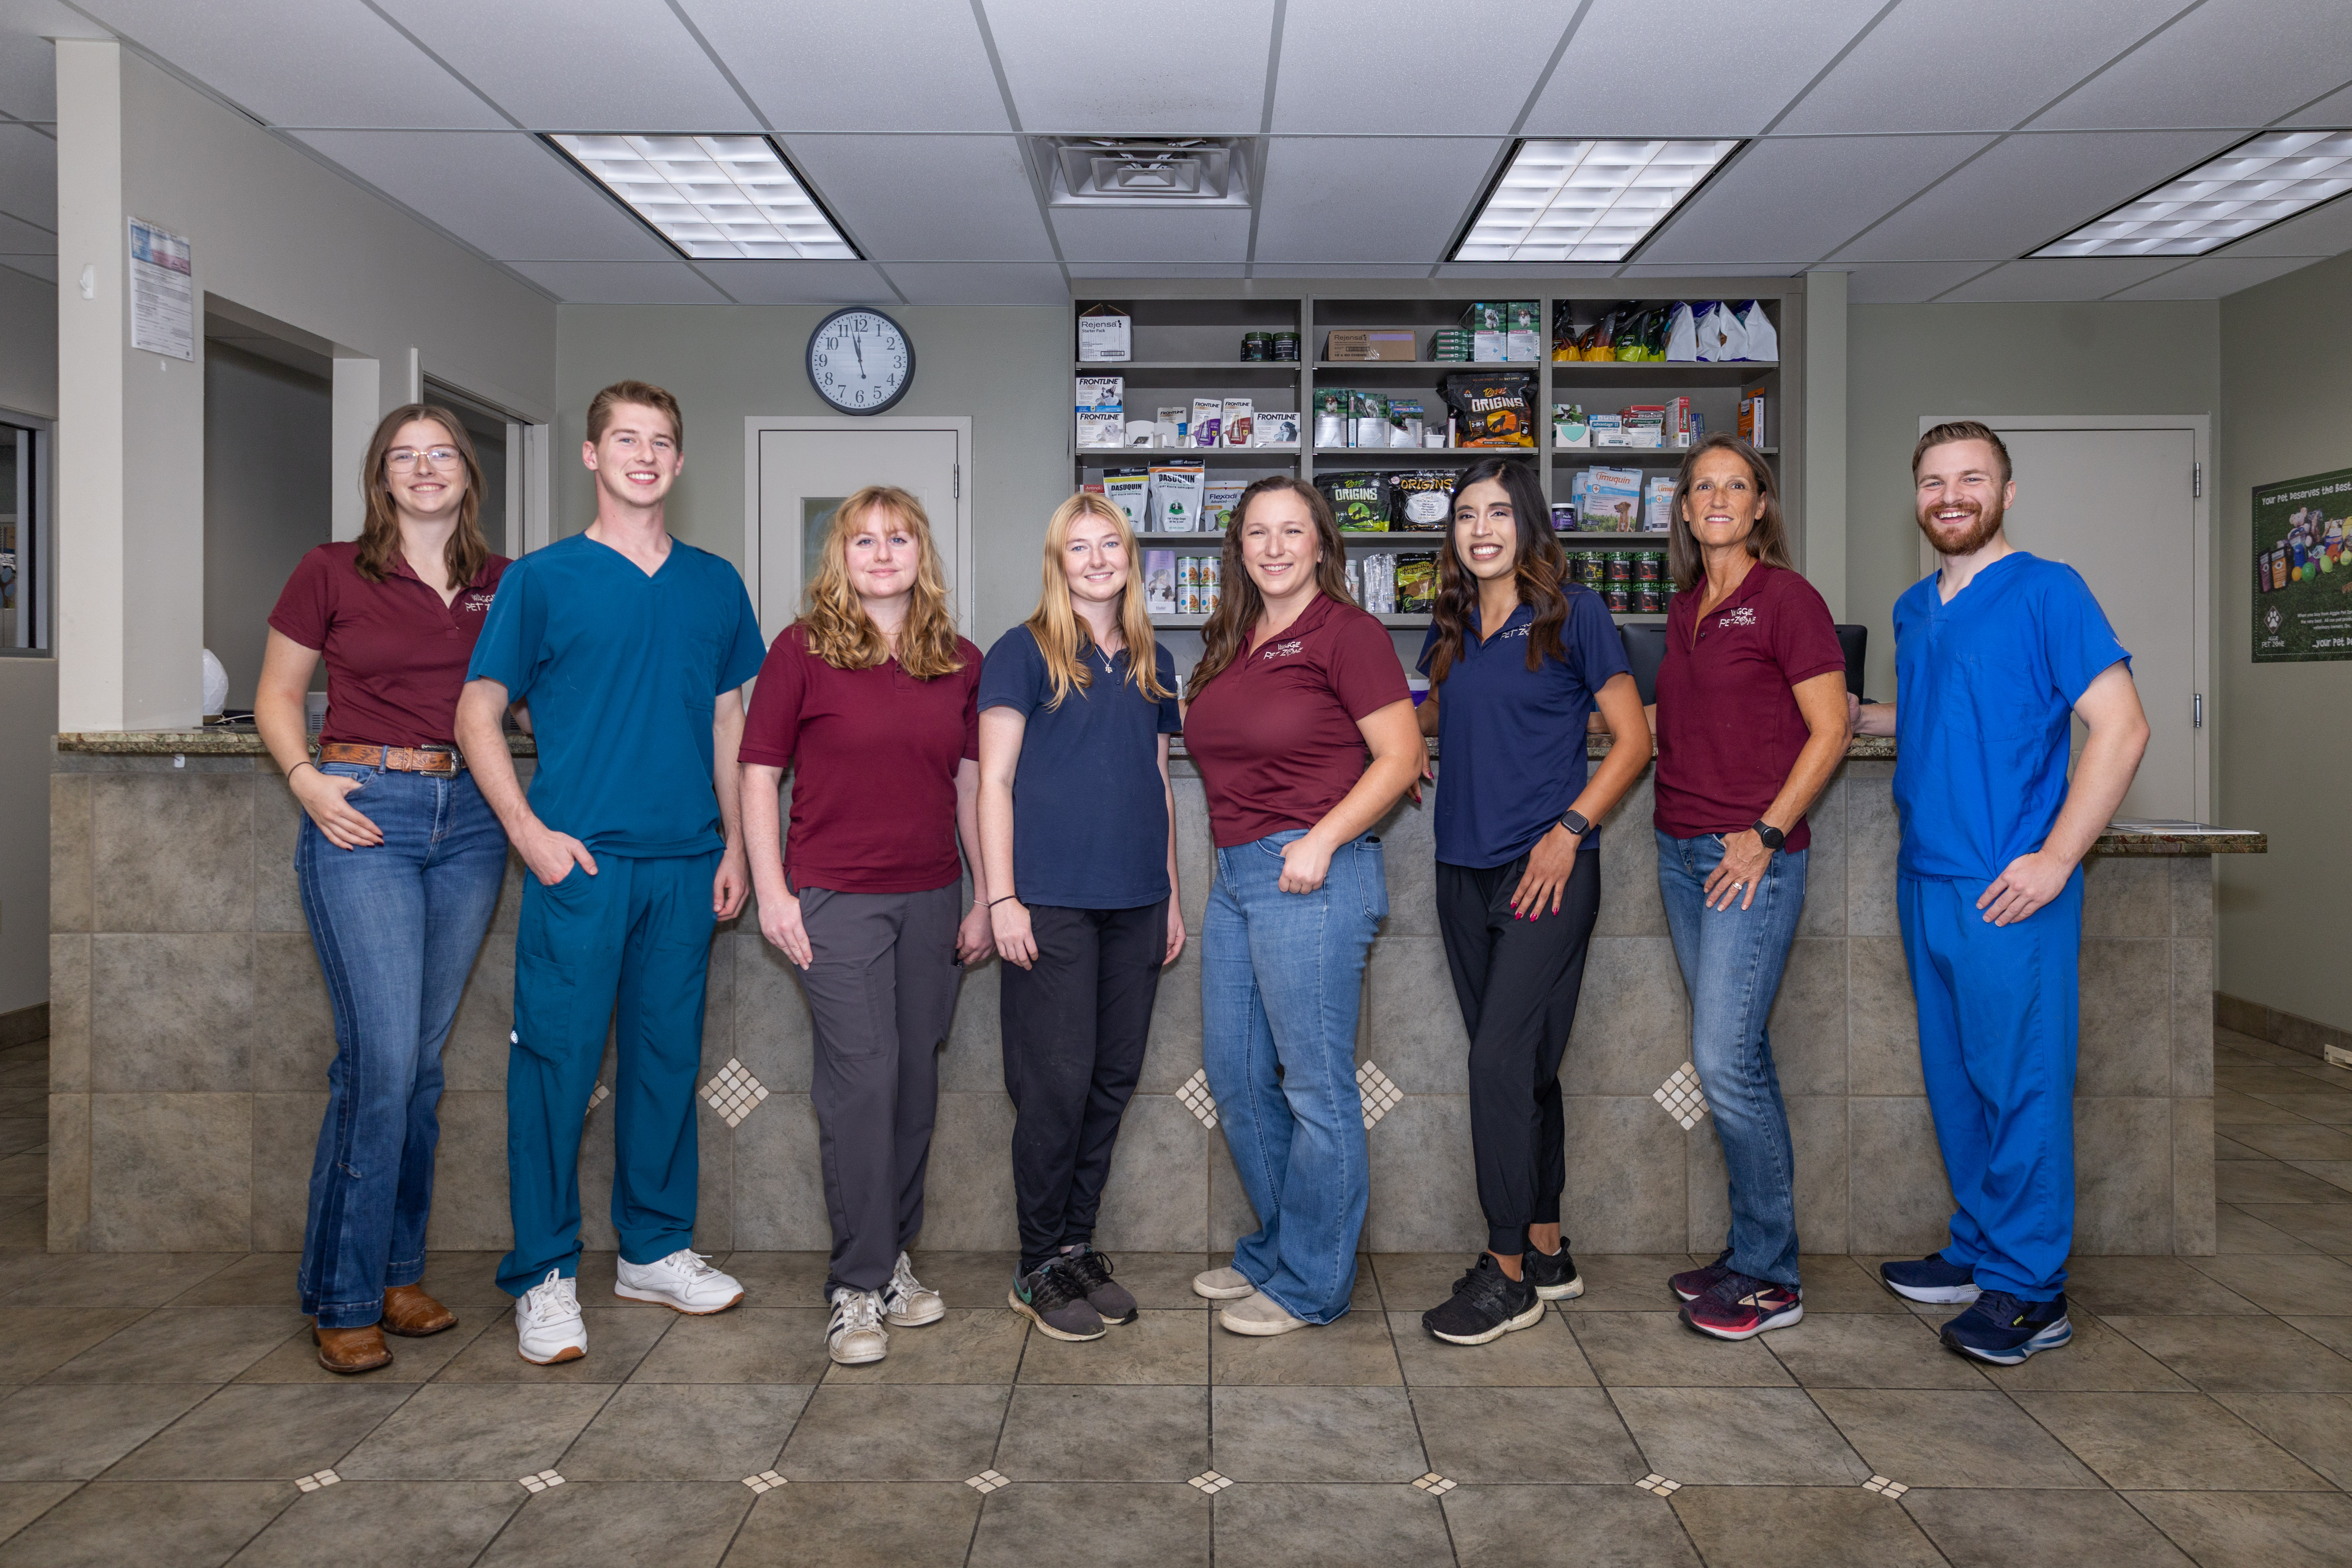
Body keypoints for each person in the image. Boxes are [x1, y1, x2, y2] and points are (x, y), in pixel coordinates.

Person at [456, 381, 764, 1365]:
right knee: (554, 1064)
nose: (644, 454)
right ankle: (545, 1273)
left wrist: (738, 844)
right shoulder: (542, 580)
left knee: (666, 1063)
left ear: (680, 462)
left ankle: (655, 1248)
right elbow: (478, 712)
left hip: (685, 863)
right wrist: (529, 832)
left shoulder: (715, 582)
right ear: (591, 456)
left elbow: (730, 722)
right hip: (580, 862)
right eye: (625, 439)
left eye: (662, 441)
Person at [1855, 421, 2147, 1364]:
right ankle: (1980, 1249)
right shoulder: (1914, 607)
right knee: (1959, 1083)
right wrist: (1863, 714)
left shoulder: (2049, 591)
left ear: (2006, 492)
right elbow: (1959, 712)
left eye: (1971, 479)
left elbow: (2121, 726)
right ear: (1917, 497)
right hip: (1927, 875)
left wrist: (2058, 856)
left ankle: (2032, 1290)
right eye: (1934, 480)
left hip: (2009, 885)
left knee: (2021, 1084)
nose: (1951, 495)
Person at [256, 406, 510, 1374]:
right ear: (382, 477)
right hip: (364, 813)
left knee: (425, 1066)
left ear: (466, 473)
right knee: (379, 1064)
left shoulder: (501, 581)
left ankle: (398, 1272)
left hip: (472, 821)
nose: (425, 468)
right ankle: (344, 1294)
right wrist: (305, 779)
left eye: (441, 453)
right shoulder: (332, 568)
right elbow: (281, 694)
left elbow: (534, 689)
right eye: (404, 457)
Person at [740, 486, 991, 1366]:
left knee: (914, 1084)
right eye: (863, 541)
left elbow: (969, 787)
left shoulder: (960, 659)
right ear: (838, 557)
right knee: (863, 1082)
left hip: (931, 896)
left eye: (899, 539)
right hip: (834, 899)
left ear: (922, 553)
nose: (882, 554)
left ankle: (892, 1262)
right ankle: (855, 1284)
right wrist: (774, 892)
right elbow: (759, 774)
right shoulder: (800, 651)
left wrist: (987, 892)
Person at [1411, 459, 1649, 1345]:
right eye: (1466, 515)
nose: (1481, 529)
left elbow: (1635, 739)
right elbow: (1445, 708)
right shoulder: (1453, 623)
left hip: (1546, 866)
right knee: (1528, 1064)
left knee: (1495, 1064)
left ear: (1529, 524)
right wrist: (1407, 738)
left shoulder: (1573, 613)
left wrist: (1572, 830)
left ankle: (1505, 1271)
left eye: (1499, 513)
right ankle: (1549, 1246)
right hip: (1459, 870)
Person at [1182, 475, 1421, 1336]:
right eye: (1258, 533)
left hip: (1314, 877)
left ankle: (1314, 1283)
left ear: (1323, 542)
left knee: (1316, 1089)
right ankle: (1280, 1249)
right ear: (1238, 547)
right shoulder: (1235, 637)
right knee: (1241, 1077)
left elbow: (1398, 755)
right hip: (1240, 880)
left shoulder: (1347, 632)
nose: (1275, 547)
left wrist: (1320, 839)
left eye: (1292, 531)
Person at [1651, 434, 1851, 1341]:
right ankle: (1747, 1252)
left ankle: (1773, 1276)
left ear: (1761, 504)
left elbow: (1831, 727)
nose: (1721, 499)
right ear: (1686, 510)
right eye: (1705, 487)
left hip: (1748, 859)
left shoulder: (1787, 598)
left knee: (1726, 1059)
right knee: (1738, 1055)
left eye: (1738, 485)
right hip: (1680, 851)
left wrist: (1766, 833)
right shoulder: (1688, 604)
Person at [978, 492, 1185, 1342]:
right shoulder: (1020, 652)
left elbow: (1161, 780)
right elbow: (993, 781)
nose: (1097, 559)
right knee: (1054, 1085)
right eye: (1079, 547)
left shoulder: (1152, 656)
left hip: (1136, 901)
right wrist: (1000, 897)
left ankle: (1076, 1243)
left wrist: (1171, 889)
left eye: (1111, 544)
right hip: (1050, 901)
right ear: (1058, 562)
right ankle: (1035, 1264)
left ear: (1130, 556)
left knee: (1110, 1079)